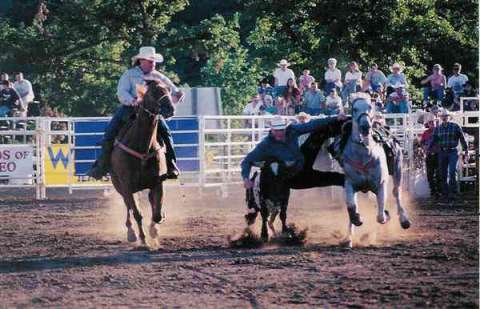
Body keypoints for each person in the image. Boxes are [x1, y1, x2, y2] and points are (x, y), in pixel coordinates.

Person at [87, 46, 185, 180]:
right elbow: (122, 92)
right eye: (150, 61)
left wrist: (178, 93)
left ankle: (171, 165)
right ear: (141, 61)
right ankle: (101, 166)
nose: (153, 63)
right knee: (110, 132)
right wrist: (132, 101)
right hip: (130, 108)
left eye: (154, 61)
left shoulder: (158, 76)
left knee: (166, 133)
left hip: (151, 111)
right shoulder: (129, 75)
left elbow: (172, 89)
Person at [241, 115, 345, 190]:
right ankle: (347, 181)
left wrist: (335, 118)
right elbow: (247, 161)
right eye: (277, 130)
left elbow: (312, 125)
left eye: (281, 129)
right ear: (271, 130)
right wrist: (246, 178)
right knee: (333, 178)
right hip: (290, 177)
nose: (280, 132)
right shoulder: (266, 144)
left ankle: (348, 125)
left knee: (319, 130)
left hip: (302, 162)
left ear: (285, 128)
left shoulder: (292, 130)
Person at [430, 109, 469, 201]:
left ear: (449, 117)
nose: (444, 118)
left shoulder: (455, 126)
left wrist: (466, 149)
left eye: (446, 116)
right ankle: (445, 193)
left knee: (452, 172)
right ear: (441, 118)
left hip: (452, 151)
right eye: (443, 116)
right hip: (442, 151)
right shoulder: (438, 128)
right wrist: (428, 149)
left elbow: (462, 138)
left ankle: (453, 192)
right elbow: (434, 140)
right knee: (443, 173)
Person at [420, 113, 440, 199]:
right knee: (430, 174)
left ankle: (439, 191)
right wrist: (424, 148)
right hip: (430, 155)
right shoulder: (425, 133)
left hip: (438, 154)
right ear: (428, 124)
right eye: (430, 122)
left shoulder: (439, 131)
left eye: (433, 122)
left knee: (439, 174)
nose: (432, 124)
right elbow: (422, 143)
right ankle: (433, 191)